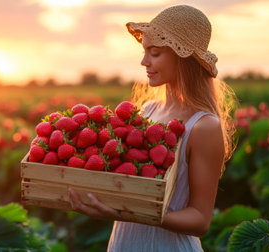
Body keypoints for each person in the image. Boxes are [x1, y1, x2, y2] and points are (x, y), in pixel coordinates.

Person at [68, 5, 237, 251]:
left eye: (154, 53)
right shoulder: (147, 111)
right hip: (123, 243)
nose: (144, 61)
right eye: (145, 51)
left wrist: (132, 212)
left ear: (183, 57)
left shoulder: (203, 126)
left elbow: (200, 220)